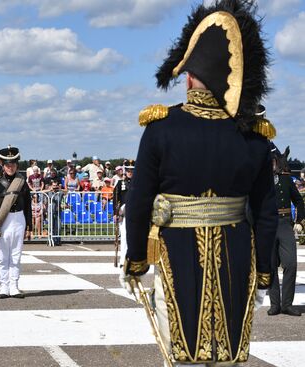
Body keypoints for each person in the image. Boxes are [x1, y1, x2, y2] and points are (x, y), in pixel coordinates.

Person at [122, 1, 278, 365]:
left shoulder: (161, 127)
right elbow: (266, 211)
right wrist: (265, 268)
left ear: (190, 76)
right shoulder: (254, 137)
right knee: (228, 355)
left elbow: (140, 200)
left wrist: (136, 259)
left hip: (178, 250)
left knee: (179, 354)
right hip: (237, 254)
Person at [0, 146, 32, 298]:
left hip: (18, 219)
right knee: (3, 256)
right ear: (2, 166)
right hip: (2, 220)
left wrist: (29, 227)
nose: (10, 167)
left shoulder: (22, 183)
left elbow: (28, 206)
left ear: (17, 165)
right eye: (7, 164)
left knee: (16, 255)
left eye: (13, 164)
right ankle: (4, 286)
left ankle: (14, 286)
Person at [268, 143, 305, 316]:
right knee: (270, 265)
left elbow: (299, 201)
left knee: (290, 264)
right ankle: (275, 304)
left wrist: (299, 220)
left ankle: (287, 304)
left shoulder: (285, 179)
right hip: (267, 225)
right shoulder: (260, 181)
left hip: (284, 224)